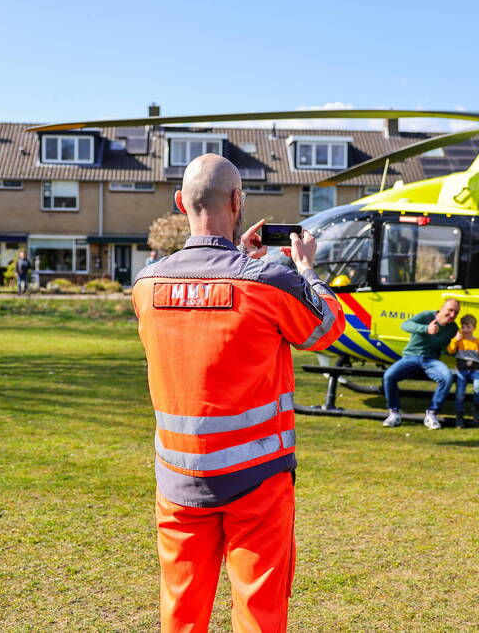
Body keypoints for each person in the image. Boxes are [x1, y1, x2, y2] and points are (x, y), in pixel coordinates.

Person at [131, 154, 345, 632]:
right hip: (257, 480)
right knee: (258, 611)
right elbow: (327, 327)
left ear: (179, 202)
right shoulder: (271, 281)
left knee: (182, 611)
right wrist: (306, 269)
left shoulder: (146, 285)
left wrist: (241, 259)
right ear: (237, 201)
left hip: (179, 478)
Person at [381, 299, 461, 430]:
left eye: (456, 313)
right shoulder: (427, 316)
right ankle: (394, 413)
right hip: (411, 357)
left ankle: (432, 414)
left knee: (447, 377)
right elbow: (405, 325)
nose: (452, 315)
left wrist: (457, 343)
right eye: (450, 310)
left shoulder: (453, 328)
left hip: (431, 361)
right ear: (441, 308)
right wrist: (425, 328)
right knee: (389, 376)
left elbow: (448, 351)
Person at [447, 314, 479, 427]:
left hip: (476, 371)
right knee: (460, 393)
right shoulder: (459, 341)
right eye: (463, 327)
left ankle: (476, 408)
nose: (466, 329)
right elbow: (451, 350)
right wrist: (455, 340)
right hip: (461, 371)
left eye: (468, 326)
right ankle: (459, 415)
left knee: (478, 387)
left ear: (474, 327)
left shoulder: (478, 343)